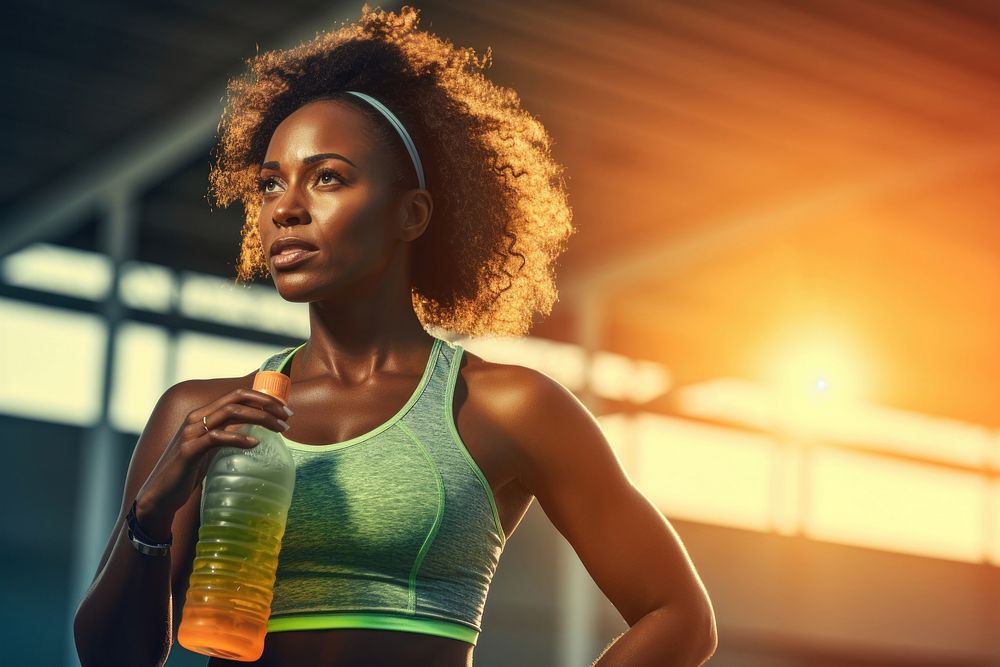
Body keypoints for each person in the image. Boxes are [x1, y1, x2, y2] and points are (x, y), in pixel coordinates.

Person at [73, 4, 717, 666]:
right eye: (270, 184)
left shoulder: (506, 407)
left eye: (327, 177)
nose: (286, 208)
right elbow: (113, 658)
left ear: (411, 213)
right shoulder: (197, 417)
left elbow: (680, 615)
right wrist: (151, 514)